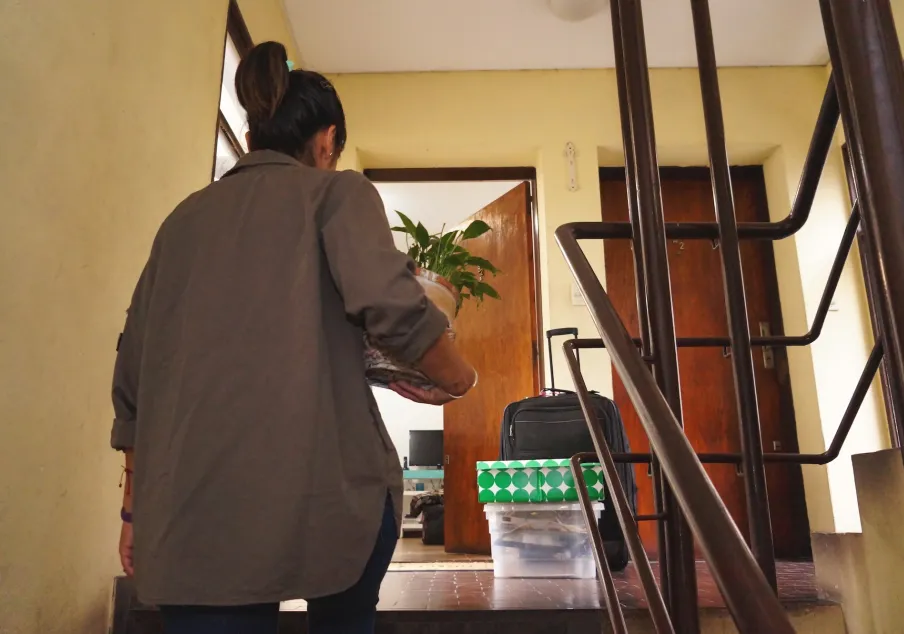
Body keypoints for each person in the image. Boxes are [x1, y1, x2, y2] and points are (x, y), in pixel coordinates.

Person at [111, 40, 477, 634]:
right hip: (326, 498)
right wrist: (460, 378)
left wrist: (133, 512)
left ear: (253, 135)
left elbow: (131, 377)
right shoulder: (337, 193)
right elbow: (393, 308)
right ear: (327, 140)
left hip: (193, 511)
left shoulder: (181, 221)